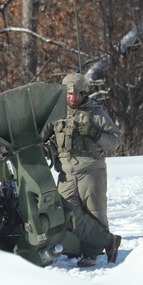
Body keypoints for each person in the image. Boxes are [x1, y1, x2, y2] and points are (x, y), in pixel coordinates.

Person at [44, 73, 122, 267]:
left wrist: (95, 133)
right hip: (66, 172)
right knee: (65, 210)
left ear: (83, 93)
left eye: (76, 94)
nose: (72, 98)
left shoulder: (95, 113)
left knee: (94, 211)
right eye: (69, 94)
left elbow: (115, 141)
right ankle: (108, 241)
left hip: (91, 169)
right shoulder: (56, 113)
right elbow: (41, 135)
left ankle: (91, 253)